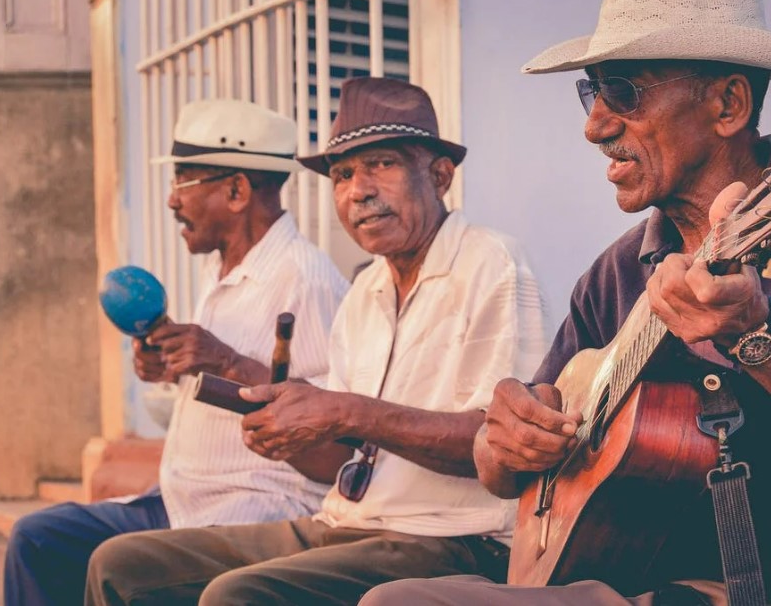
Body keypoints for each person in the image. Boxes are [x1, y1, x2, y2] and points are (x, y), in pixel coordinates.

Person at [359, 0, 771, 605]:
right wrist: (502, 438)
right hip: (620, 577)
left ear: (728, 106)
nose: (595, 126)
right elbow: (501, 473)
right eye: (591, 93)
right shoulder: (614, 274)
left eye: (623, 92)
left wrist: (761, 340)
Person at [82, 77, 552, 605]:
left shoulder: (492, 264)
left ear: (439, 175)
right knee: (120, 564)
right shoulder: (365, 292)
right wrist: (290, 439)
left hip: (449, 537)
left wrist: (348, 411)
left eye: (383, 164)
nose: (359, 190)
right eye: (343, 174)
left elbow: (502, 445)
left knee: (237, 595)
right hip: (345, 520)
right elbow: (339, 462)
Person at [4, 99, 349, 606]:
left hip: (254, 507)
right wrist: (171, 367)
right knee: (38, 538)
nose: (171, 201)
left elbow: (334, 426)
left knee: (123, 566)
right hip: (181, 500)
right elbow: (220, 371)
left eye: (183, 181)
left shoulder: (307, 280)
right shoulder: (221, 269)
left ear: (236, 191)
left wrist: (223, 359)